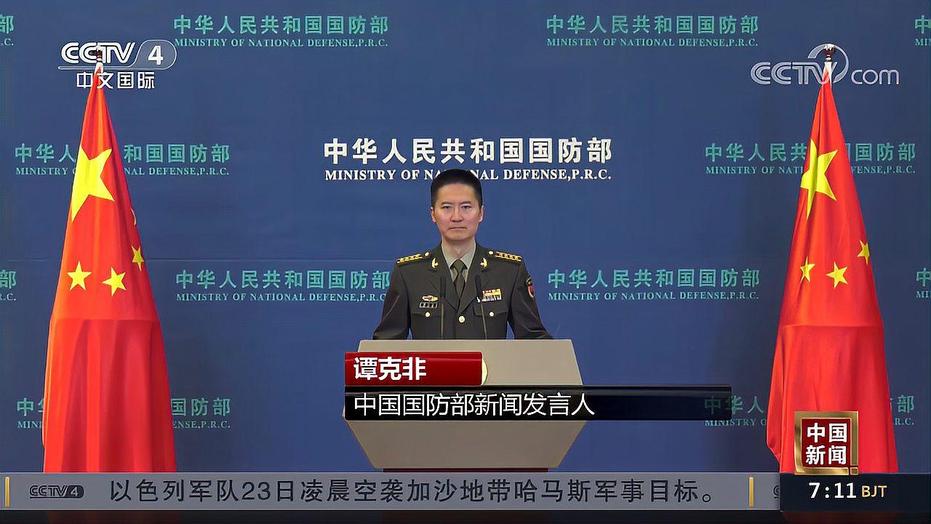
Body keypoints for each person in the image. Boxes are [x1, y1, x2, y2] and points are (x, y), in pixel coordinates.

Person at [373, 169, 552, 340]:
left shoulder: (508, 271)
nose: (457, 217)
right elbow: (386, 344)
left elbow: (534, 340)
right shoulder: (409, 273)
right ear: (433, 214)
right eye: (446, 207)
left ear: (481, 213)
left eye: (466, 207)